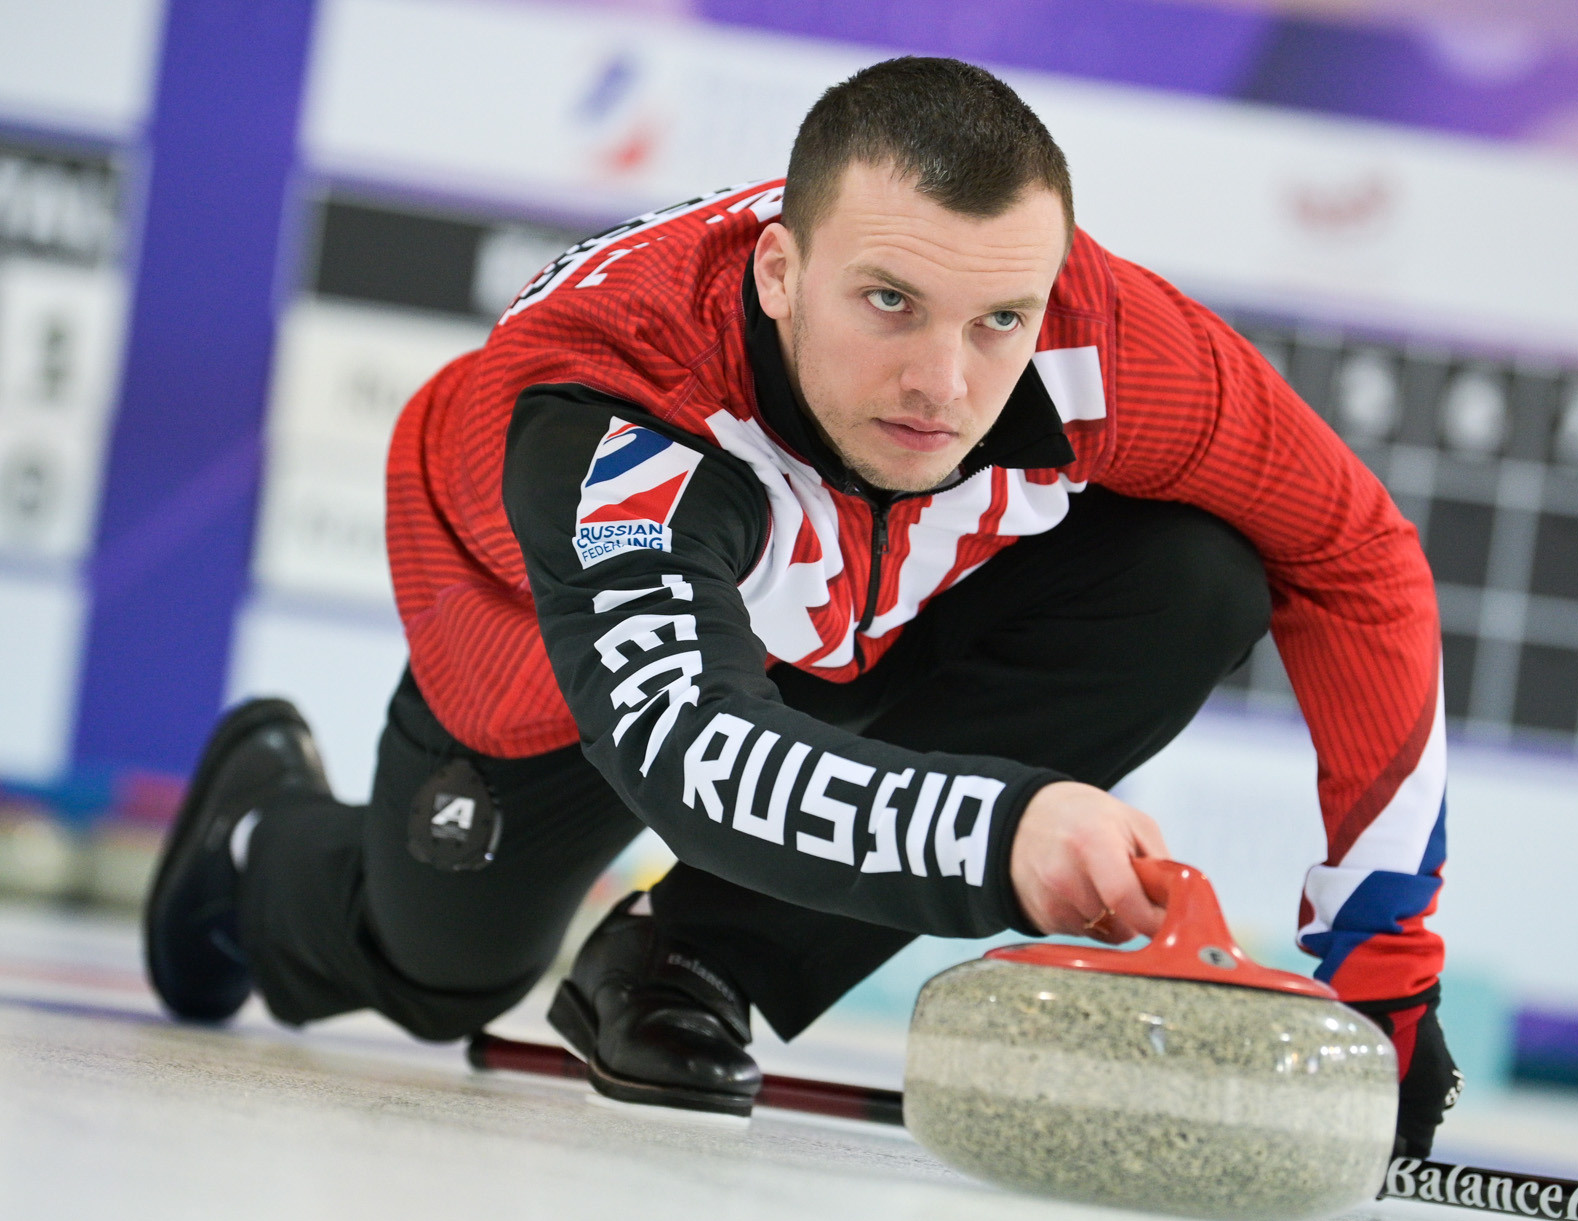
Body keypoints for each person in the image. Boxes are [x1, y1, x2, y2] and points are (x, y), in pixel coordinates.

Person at [144, 56, 1459, 1153]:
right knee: (441, 972)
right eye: (888, 302)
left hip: (861, 617)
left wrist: (1384, 964)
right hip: (555, 661)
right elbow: (688, 752)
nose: (943, 379)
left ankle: (696, 962)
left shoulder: (1103, 339)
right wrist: (1004, 829)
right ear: (778, 272)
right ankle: (259, 835)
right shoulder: (612, 404)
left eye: (998, 317)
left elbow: (1357, 559)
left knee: (1193, 579)